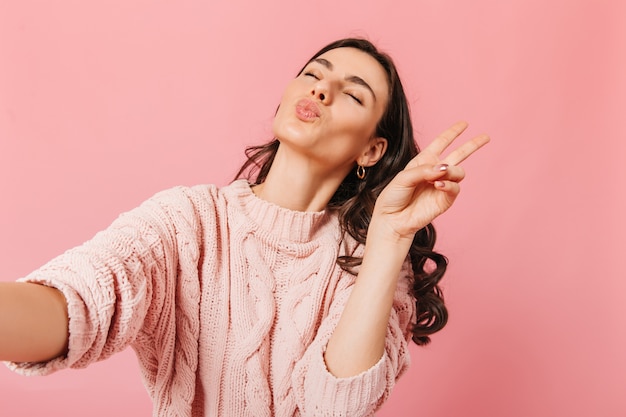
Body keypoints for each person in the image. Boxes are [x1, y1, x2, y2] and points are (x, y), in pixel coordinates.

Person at [0, 38, 489, 416]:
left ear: (371, 150)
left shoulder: (375, 261)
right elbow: (79, 303)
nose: (321, 89)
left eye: (352, 95)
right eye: (313, 74)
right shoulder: (187, 221)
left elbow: (337, 407)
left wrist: (388, 242)